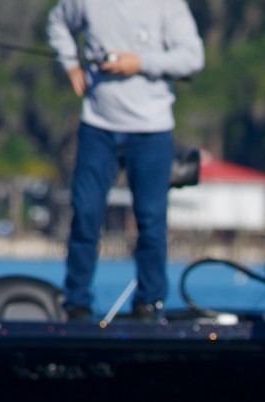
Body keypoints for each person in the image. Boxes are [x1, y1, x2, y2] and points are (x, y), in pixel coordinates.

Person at [46, 0, 204, 322]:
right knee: (86, 213)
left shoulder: (167, 6)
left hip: (152, 129)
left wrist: (140, 62)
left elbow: (192, 57)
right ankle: (76, 303)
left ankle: (150, 302)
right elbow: (57, 23)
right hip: (98, 126)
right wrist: (71, 65)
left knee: (150, 220)